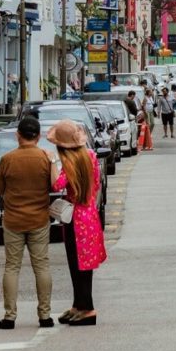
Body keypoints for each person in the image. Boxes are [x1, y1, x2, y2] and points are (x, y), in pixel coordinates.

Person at [0, 116, 56, 331]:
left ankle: (10, 316)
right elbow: (54, 185)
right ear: (38, 137)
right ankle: (45, 315)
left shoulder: (8, 159)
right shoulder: (44, 158)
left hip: (13, 220)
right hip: (39, 219)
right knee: (42, 266)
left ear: (17, 135)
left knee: (12, 267)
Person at [53, 120, 107, 325]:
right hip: (89, 214)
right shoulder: (90, 156)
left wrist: (52, 163)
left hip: (75, 217)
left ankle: (88, 308)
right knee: (85, 264)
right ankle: (79, 304)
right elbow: (95, 183)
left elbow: (57, 184)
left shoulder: (68, 163)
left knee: (76, 264)